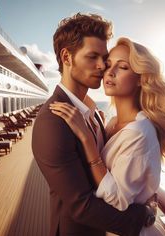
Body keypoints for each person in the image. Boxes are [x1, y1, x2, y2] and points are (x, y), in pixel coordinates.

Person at [32, 14, 155, 236]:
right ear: (67, 57)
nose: (102, 66)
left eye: (104, 58)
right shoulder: (52, 122)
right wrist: (144, 214)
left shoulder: (93, 114)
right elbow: (81, 206)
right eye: (92, 57)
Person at [49, 37, 165, 235]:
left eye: (123, 67)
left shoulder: (139, 132)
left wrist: (87, 140)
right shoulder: (111, 123)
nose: (110, 72)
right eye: (108, 65)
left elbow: (118, 199)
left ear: (140, 79)